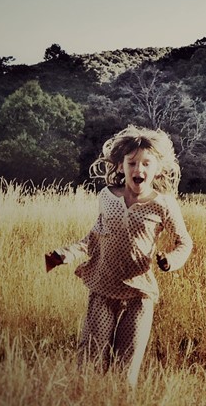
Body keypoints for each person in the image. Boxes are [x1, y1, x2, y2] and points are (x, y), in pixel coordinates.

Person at [45, 125, 193, 386]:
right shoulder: (107, 197)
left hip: (139, 295)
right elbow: (94, 237)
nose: (139, 170)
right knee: (89, 364)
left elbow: (184, 242)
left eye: (147, 163)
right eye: (132, 163)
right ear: (121, 165)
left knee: (125, 372)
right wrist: (63, 254)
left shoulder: (164, 204)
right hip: (103, 290)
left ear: (157, 168)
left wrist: (170, 261)